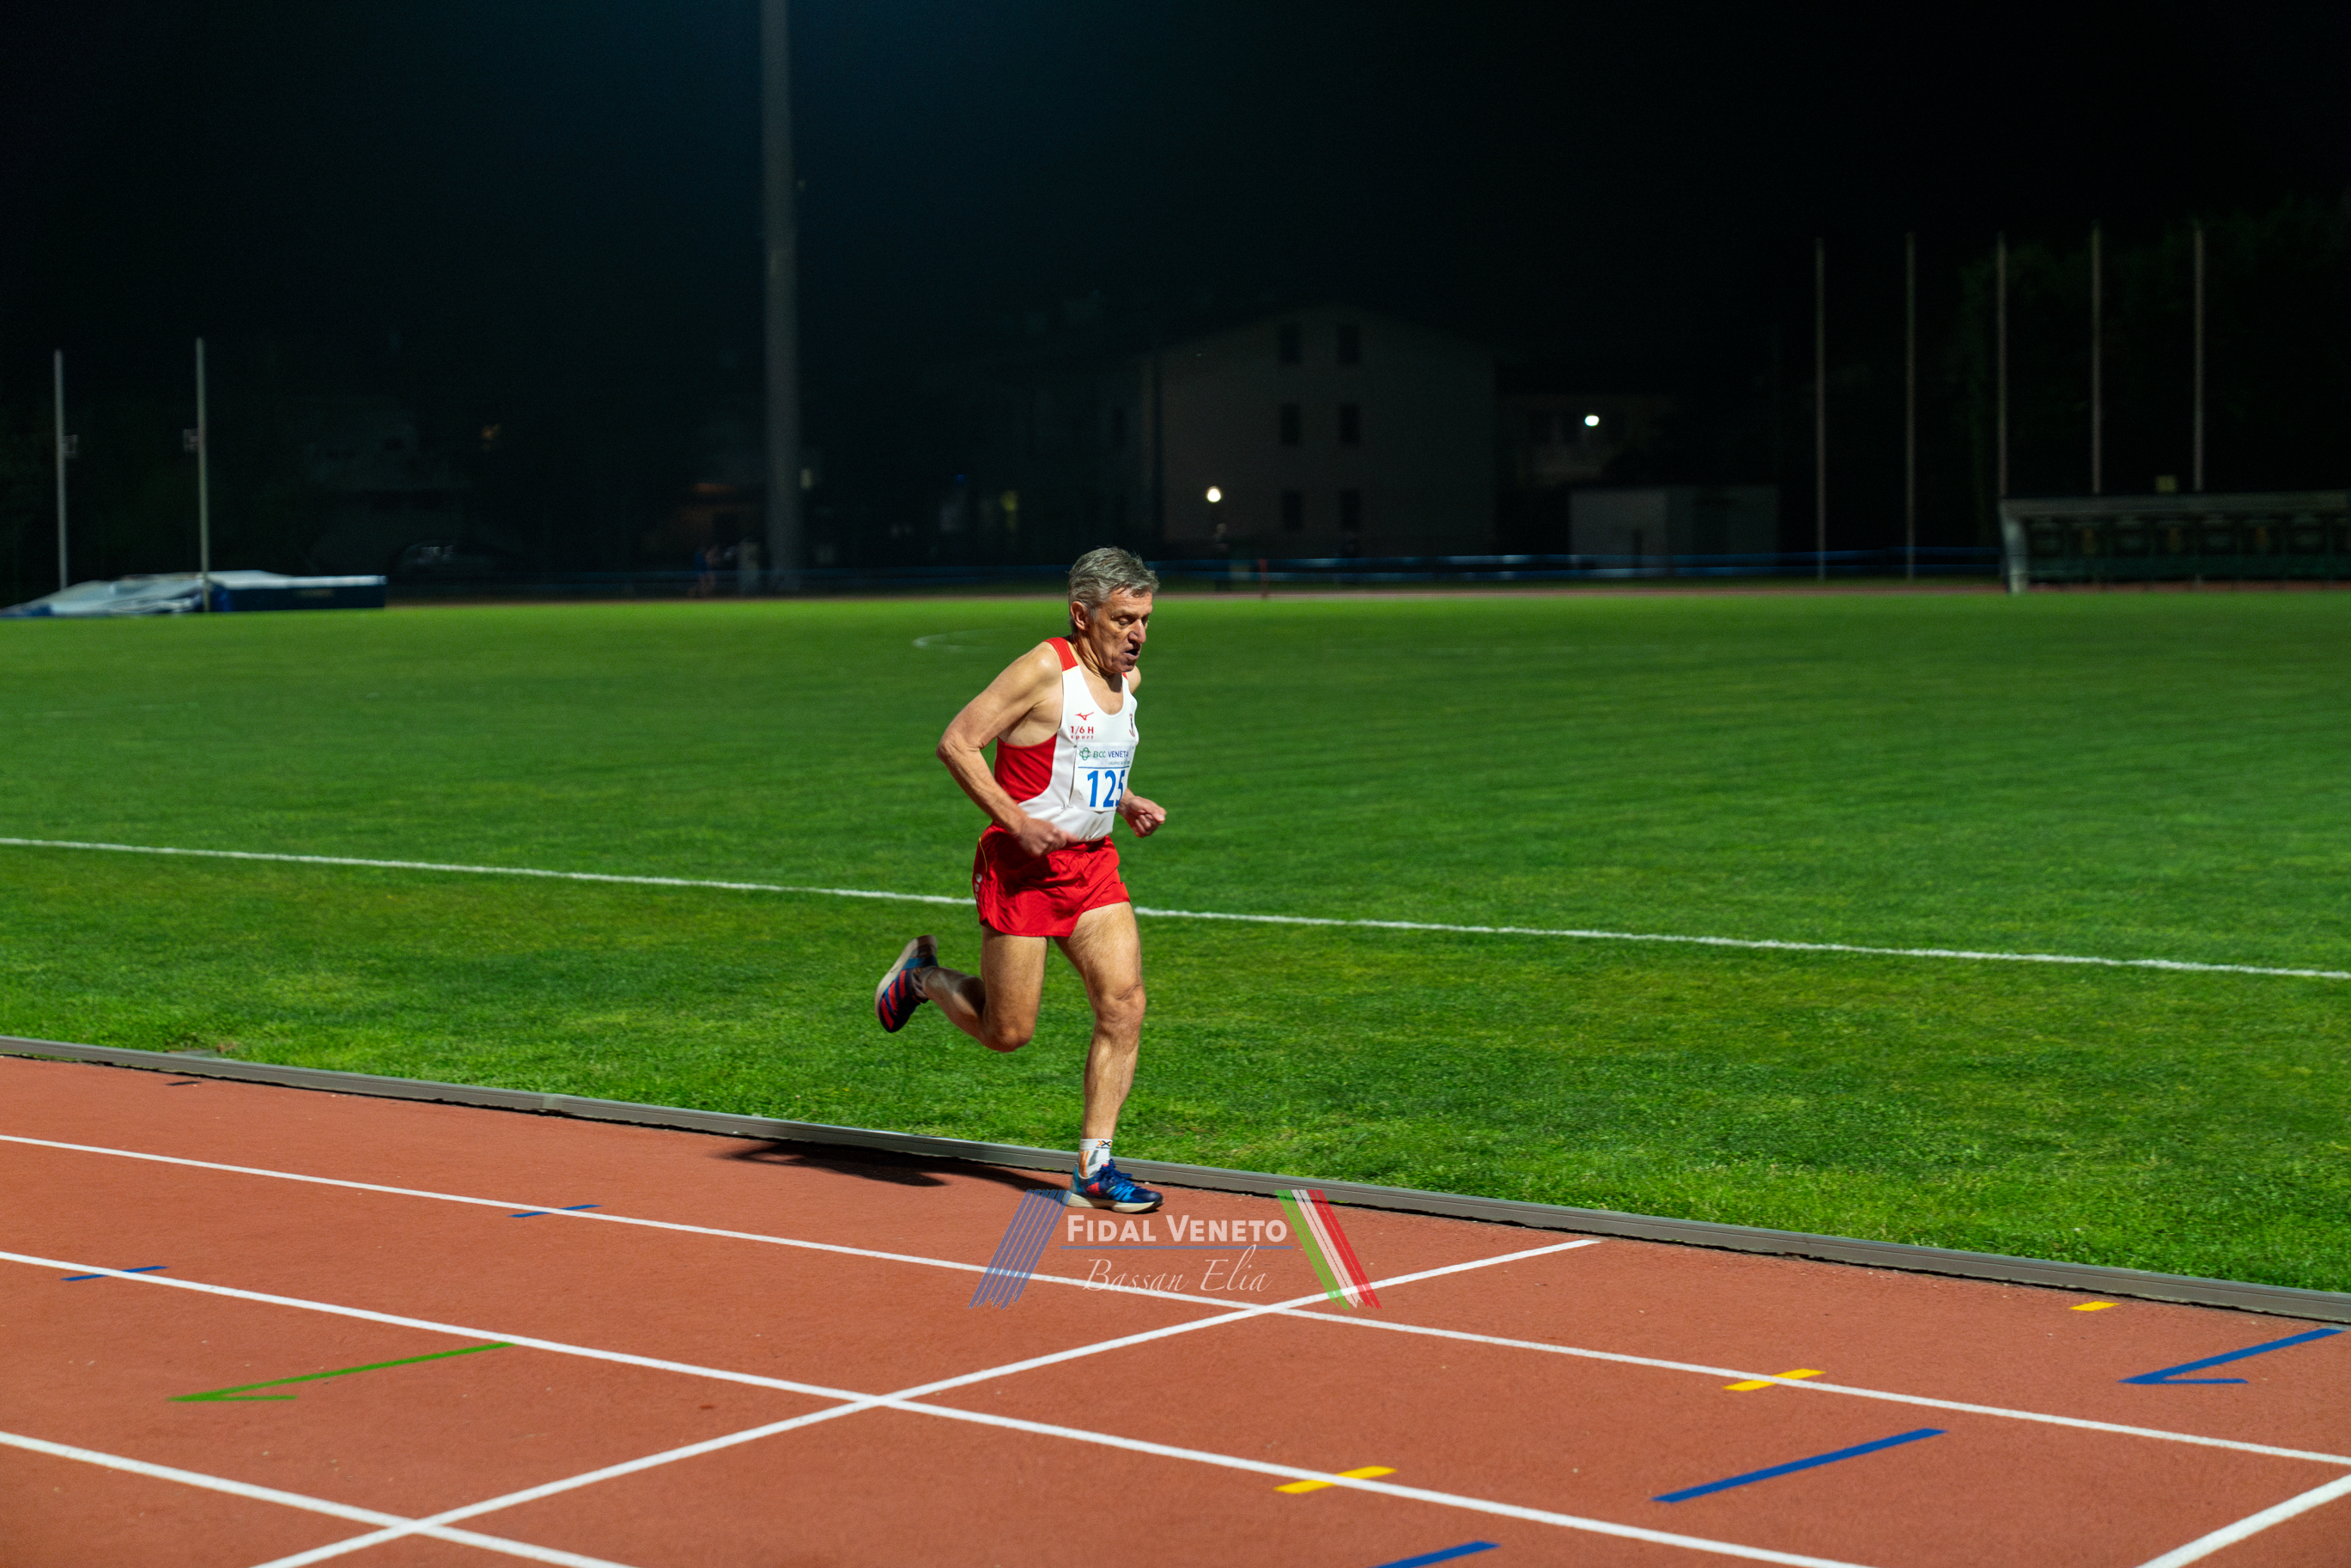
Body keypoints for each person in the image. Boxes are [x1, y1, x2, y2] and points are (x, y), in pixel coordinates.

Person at [873, 547, 1169, 1212]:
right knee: (1007, 1032)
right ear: (1081, 615)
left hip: (1091, 867)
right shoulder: (1042, 670)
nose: (1138, 635)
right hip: (1022, 871)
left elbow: (1081, 756)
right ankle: (922, 978)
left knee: (1124, 1005)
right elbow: (958, 742)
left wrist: (1124, 800)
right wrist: (1017, 821)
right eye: (1123, 620)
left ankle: (1095, 1169)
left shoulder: (1128, 681)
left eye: (1145, 620)